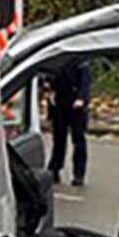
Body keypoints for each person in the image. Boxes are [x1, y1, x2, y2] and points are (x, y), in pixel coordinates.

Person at [44, 56, 90, 187]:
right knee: (58, 138)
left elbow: (85, 80)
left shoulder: (80, 59)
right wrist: (47, 84)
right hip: (59, 101)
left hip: (75, 102)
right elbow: (49, 76)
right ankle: (54, 169)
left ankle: (79, 174)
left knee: (78, 139)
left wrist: (82, 98)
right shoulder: (57, 58)